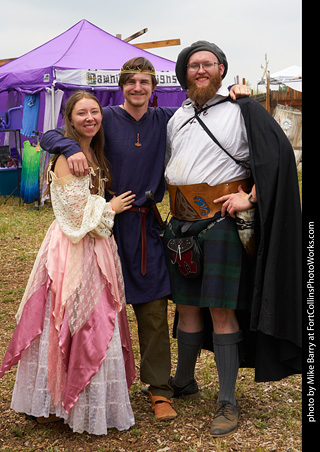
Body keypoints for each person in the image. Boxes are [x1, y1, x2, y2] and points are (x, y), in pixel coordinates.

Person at [39, 57, 250, 420]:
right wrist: (69, 147)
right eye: (131, 82)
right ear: (122, 85)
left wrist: (235, 95)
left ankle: (159, 389)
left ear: (154, 87)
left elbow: (204, 106)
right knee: (93, 310)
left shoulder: (166, 119)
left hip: (148, 228)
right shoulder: (104, 117)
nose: (137, 88)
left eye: (144, 82)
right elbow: (53, 133)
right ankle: (88, 388)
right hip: (105, 229)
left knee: (153, 310)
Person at [164, 41, 302, 437]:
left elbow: (280, 158)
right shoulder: (178, 116)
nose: (201, 70)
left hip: (221, 222)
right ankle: (184, 381)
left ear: (222, 70)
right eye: (194, 65)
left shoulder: (244, 110)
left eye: (209, 64)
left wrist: (251, 195)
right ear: (184, 72)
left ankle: (227, 400)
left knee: (221, 311)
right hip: (179, 222)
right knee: (188, 306)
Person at [0, 91, 137, 435]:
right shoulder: (68, 155)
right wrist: (110, 208)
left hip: (95, 245)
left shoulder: (91, 150)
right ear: (69, 119)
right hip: (73, 248)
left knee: (88, 319)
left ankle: (80, 399)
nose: (90, 118)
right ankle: (56, 401)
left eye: (95, 112)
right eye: (82, 113)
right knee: (72, 320)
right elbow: (74, 217)